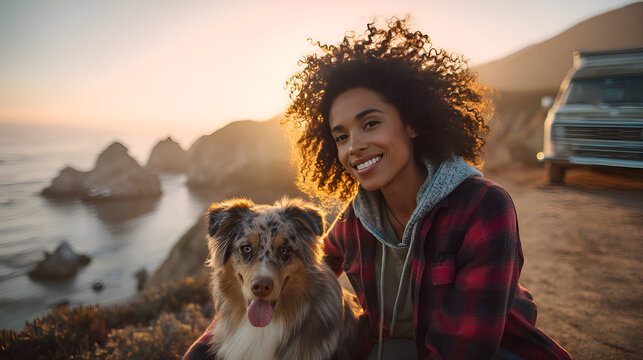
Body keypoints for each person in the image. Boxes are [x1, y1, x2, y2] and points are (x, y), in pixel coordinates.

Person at [183, 18, 572, 360]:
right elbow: (286, 273)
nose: (354, 146)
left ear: (413, 122)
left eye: (370, 124)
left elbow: (464, 350)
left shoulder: (484, 209)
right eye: (341, 136)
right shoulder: (355, 222)